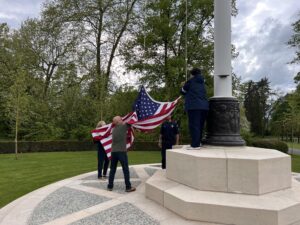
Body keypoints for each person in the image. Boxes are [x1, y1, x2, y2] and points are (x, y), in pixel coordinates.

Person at [180, 67, 209, 149]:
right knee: (200, 126)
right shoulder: (202, 82)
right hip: (204, 107)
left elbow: (182, 91)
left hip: (194, 106)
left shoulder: (190, 81)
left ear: (192, 74)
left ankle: (195, 145)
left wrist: (183, 85)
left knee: (194, 125)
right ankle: (198, 143)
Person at [107, 116, 136, 192]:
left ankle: (110, 186)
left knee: (112, 169)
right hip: (121, 152)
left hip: (113, 152)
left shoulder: (114, 130)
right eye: (121, 119)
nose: (122, 120)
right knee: (125, 169)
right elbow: (132, 121)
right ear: (117, 122)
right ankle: (128, 187)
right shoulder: (123, 126)